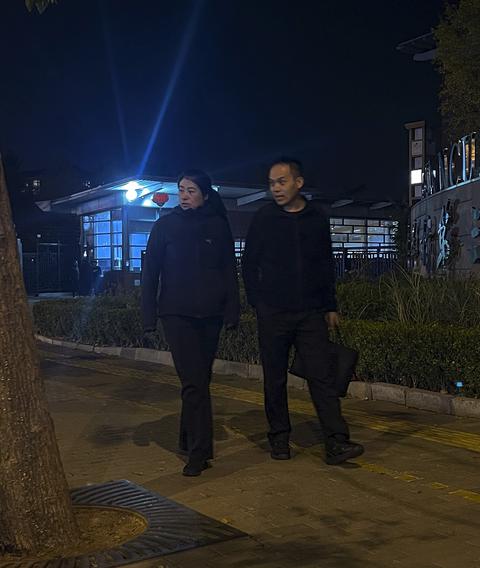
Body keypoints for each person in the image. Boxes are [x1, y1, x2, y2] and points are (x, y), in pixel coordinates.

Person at [242, 157, 363, 465]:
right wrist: (258, 301)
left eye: (281, 182)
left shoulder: (316, 218)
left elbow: (325, 264)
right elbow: (249, 262)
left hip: (310, 312)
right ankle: (279, 438)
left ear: (298, 182)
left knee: (321, 377)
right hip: (274, 312)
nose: (276, 189)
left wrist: (330, 305)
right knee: (275, 378)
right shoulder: (264, 218)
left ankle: (336, 442)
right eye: (271, 183)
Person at [141, 170, 240, 477]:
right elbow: (150, 273)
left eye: (191, 190)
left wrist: (232, 309)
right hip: (176, 315)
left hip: (210, 314)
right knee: (194, 382)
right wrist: (149, 315)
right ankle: (200, 452)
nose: (184, 195)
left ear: (205, 195)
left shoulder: (217, 226)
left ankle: (187, 437)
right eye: (182, 189)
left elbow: (228, 269)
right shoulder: (165, 226)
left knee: (199, 381)